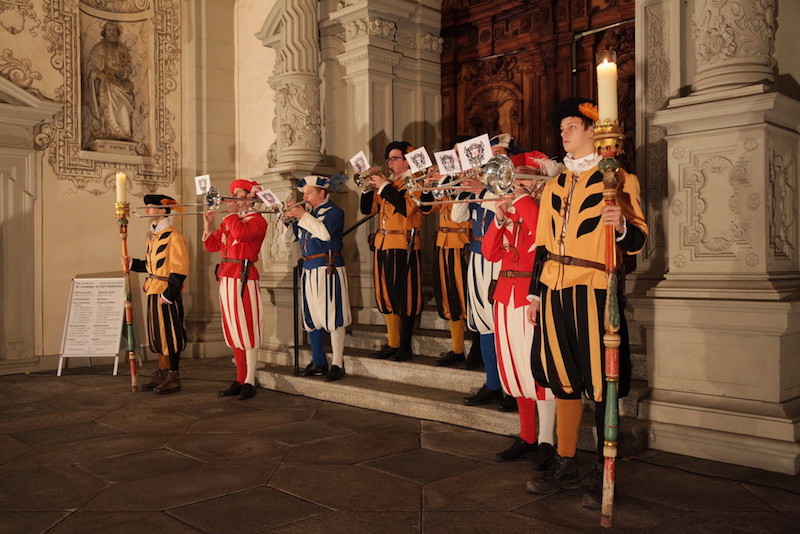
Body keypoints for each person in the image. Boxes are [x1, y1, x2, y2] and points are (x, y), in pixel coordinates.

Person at [525, 98, 647, 510]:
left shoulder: (617, 177)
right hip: (554, 289)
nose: (564, 134)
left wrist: (623, 227)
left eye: (571, 127)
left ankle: (603, 468)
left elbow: (640, 238)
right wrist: (533, 294)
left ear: (594, 130)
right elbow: (541, 245)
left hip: (594, 287)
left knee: (601, 382)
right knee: (562, 378)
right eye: (561, 129)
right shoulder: (556, 183)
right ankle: (565, 462)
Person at [482, 150, 560, 470]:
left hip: (532, 295)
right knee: (514, 370)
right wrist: (499, 217)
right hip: (505, 296)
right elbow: (489, 252)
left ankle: (547, 441)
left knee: (537, 370)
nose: (514, 185)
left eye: (522, 178)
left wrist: (524, 200)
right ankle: (527, 436)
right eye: (514, 179)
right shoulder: (513, 212)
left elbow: (543, 233)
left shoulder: (544, 209)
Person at [453, 134, 514, 407]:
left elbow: (506, 206)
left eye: (500, 154)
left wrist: (482, 191)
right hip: (477, 256)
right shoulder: (485, 186)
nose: (494, 160)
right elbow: (457, 217)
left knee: (503, 324)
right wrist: (463, 191)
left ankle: (512, 386)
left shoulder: (510, 181)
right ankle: (492, 383)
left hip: (501, 258)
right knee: (483, 322)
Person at [203, 179, 268, 400]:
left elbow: (241, 235)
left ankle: (250, 379)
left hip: (244, 276)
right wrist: (208, 224)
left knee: (247, 327)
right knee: (234, 329)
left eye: (238, 194)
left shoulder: (258, 221)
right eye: (233, 194)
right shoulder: (232, 221)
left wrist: (230, 216)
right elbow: (212, 246)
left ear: (250, 197)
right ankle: (239, 378)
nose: (233, 198)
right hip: (227, 276)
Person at [282, 175, 351, 382]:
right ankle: (319, 361)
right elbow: (289, 238)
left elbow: (325, 234)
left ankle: (337, 363)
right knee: (312, 315)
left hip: (328, 266)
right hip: (309, 268)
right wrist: (287, 221)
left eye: (309, 192)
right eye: (304, 193)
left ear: (322, 192)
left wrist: (302, 215)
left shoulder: (334, 212)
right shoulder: (308, 215)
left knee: (333, 313)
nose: (305, 197)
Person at [360, 141, 423, 362]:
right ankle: (393, 342)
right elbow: (368, 210)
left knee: (405, 297)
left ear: (407, 162)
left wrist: (385, 186)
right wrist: (368, 187)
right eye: (388, 159)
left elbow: (407, 209)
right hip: (382, 244)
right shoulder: (387, 184)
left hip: (404, 245)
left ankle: (405, 346)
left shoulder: (416, 182)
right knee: (386, 296)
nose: (390, 162)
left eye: (394, 158)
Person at [125, 195, 188, 394]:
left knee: (170, 335)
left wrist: (170, 293)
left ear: (162, 211)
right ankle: (162, 371)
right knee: (157, 336)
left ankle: (173, 376)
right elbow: (151, 266)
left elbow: (180, 268)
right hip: (153, 289)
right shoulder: (152, 236)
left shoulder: (174, 236)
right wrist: (132, 264)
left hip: (166, 292)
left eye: (151, 207)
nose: (148, 211)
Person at [420, 150, 471, 367]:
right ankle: (457, 348)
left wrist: (445, 179)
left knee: (465, 298)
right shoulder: (446, 179)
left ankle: (476, 349)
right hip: (443, 243)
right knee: (450, 298)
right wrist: (428, 182)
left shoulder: (469, 177)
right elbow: (427, 205)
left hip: (463, 243)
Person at [87, 21, 135, 142]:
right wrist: (98, 74)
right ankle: (108, 131)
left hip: (121, 85)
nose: (112, 32)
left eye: (114, 30)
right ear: (104, 33)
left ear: (118, 33)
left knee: (124, 107)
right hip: (105, 84)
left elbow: (128, 68)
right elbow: (90, 67)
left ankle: (124, 134)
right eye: (109, 30)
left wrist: (121, 71)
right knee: (107, 95)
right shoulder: (98, 48)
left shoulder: (122, 49)